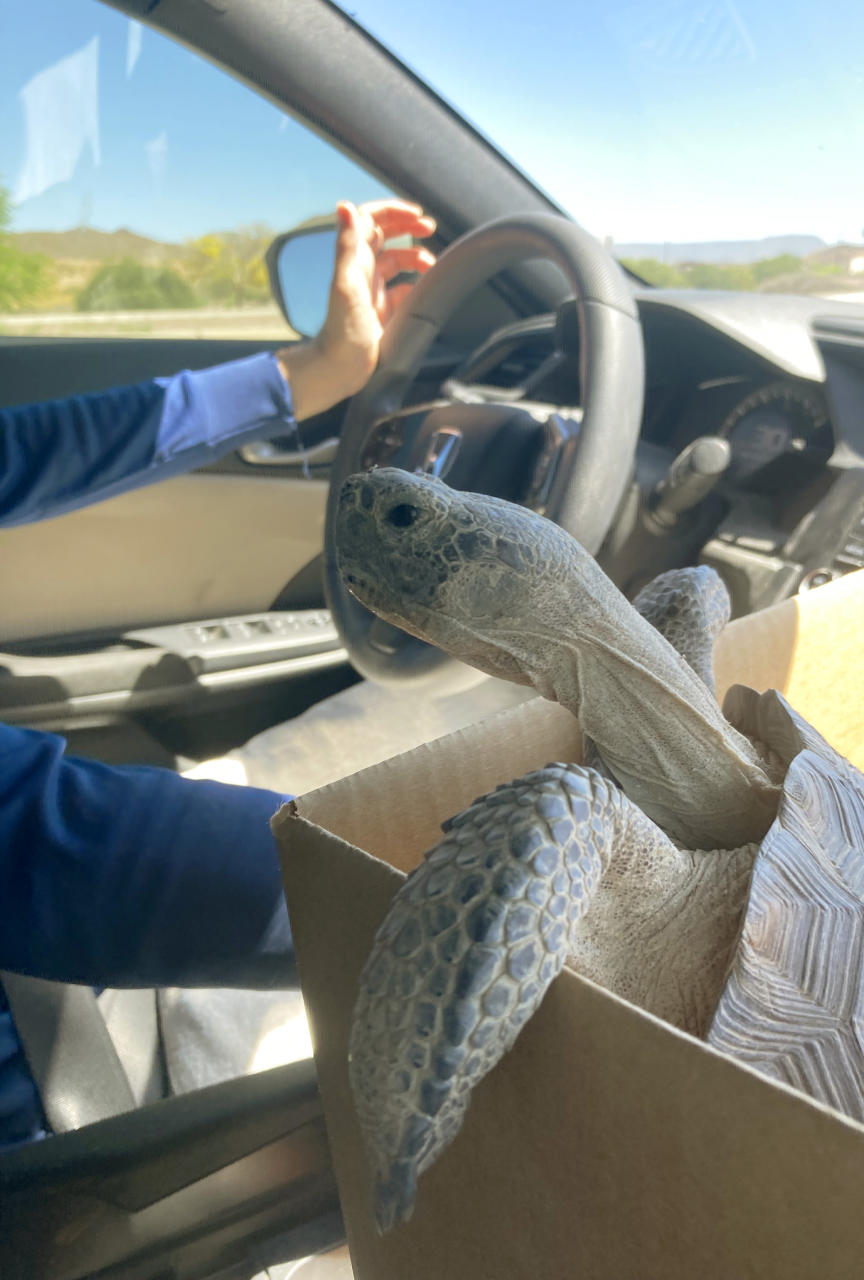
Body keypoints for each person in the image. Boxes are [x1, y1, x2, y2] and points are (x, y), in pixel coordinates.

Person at [0, 199, 436, 1148]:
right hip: (49, 1145)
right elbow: (42, 846)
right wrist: (456, 896)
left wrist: (319, 372)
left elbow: (31, 449)